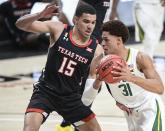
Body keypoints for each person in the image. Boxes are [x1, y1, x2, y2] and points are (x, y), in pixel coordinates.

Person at [15, 3, 104, 131]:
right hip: (45, 92)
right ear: (75, 20)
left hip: (71, 97)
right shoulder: (58, 29)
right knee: (29, 128)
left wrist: (98, 82)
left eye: (93, 22)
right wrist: (39, 15)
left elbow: (91, 79)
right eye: (86, 21)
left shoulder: (96, 50)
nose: (90, 26)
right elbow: (20, 24)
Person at [85, 20, 165, 131]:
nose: (102, 43)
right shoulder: (99, 62)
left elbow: (159, 88)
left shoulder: (140, 58)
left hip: (148, 108)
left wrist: (131, 78)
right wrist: (98, 80)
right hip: (129, 112)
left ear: (119, 40)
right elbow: (87, 99)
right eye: (102, 39)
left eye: (106, 40)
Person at [57, 0, 110, 130]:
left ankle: (70, 120)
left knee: (92, 86)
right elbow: (81, 12)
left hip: (96, 44)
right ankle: (71, 121)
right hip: (86, 44)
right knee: (87, 85)